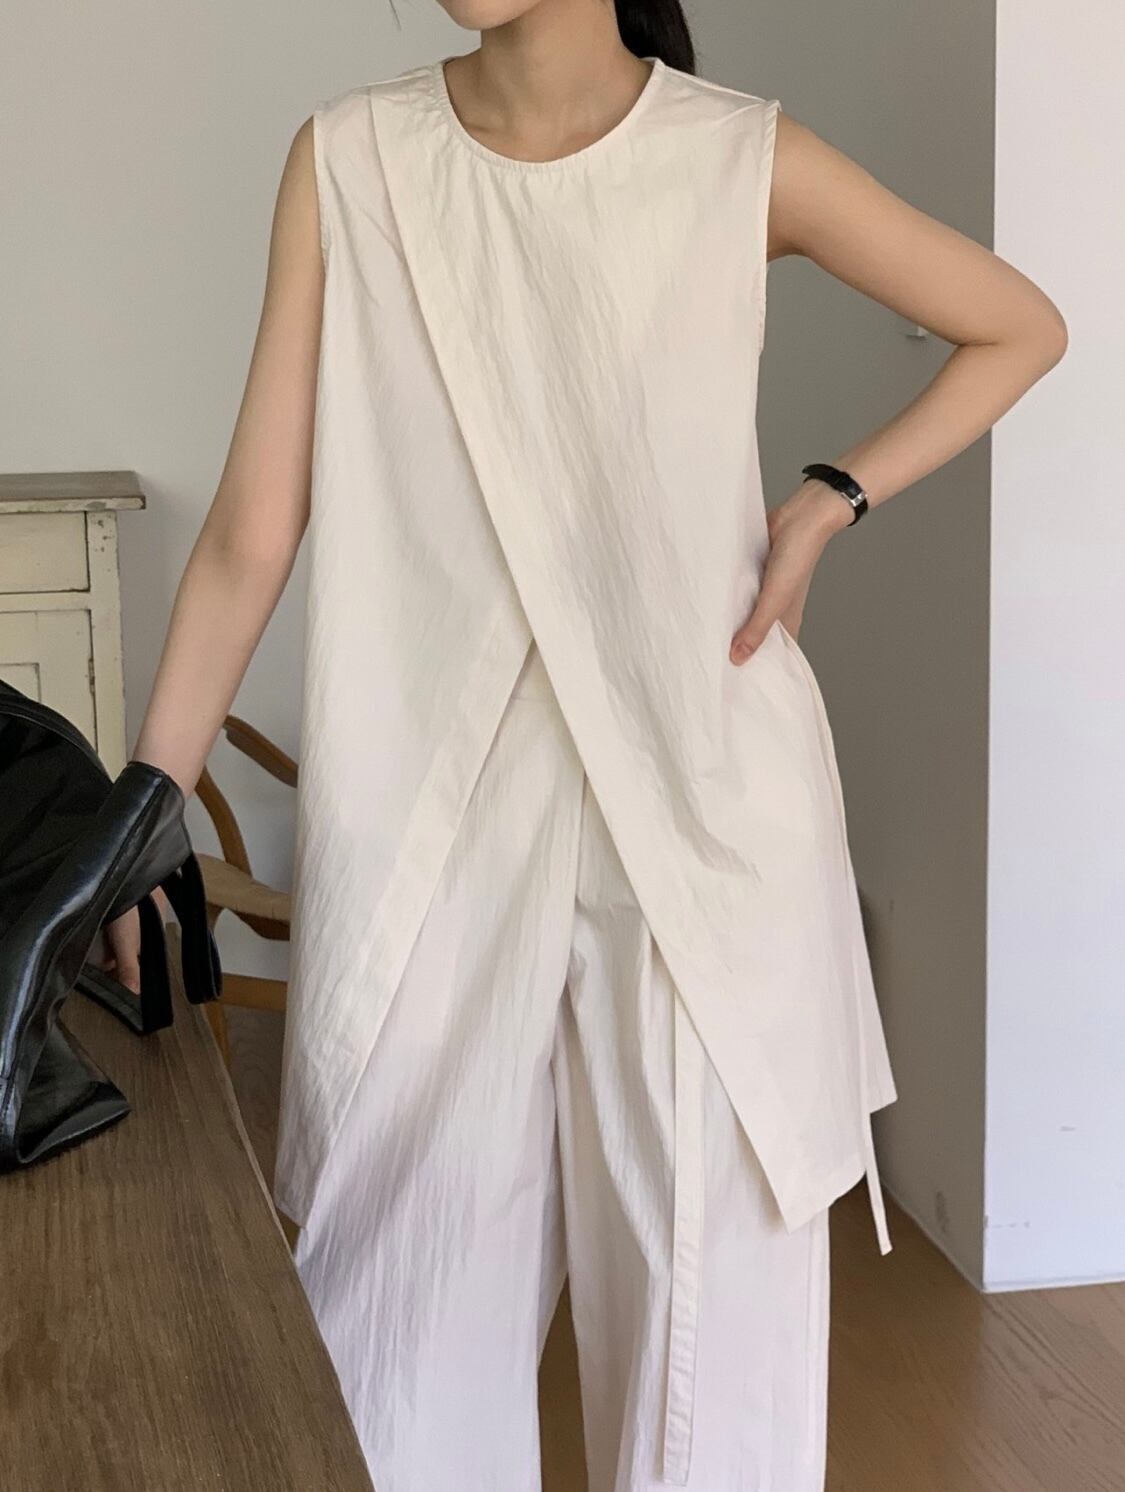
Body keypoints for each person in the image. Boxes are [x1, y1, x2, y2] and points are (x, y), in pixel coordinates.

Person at [103, 1, 1067, 1487]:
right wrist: (142, 817)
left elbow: (1019, 323)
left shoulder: (737, 156)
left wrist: (827, 499)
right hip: (427, 820)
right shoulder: (352, 159)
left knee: (710, 1391)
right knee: (387, 1364)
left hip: (702, 820)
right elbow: (250, 530)